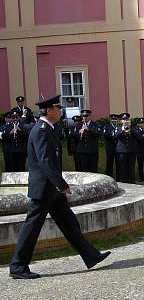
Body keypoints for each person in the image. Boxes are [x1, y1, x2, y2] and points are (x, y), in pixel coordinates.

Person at [8, 95, 111, 279]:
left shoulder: (50, 128)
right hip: (44, 188)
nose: (61, 111)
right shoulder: (41, 130)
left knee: (69, 223)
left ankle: (90, 256)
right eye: (57, 108)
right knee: (31, 227)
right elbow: (45, 162)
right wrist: (62, 185)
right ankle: (17, 266)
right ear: (48, 111)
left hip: (51, 189)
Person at [114, 113, 135, 183]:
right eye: (124, 119)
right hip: (121, 151)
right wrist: (122, 130)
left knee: (131, 167)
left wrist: (131, 129)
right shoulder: (118, 128)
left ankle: (131, 180)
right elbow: (115, 136)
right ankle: (123, 181)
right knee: (122, 167)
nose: (125, 120)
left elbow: (138, 137)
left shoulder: (133, 128)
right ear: (121, 121)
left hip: (131, 150)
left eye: (127, 119)